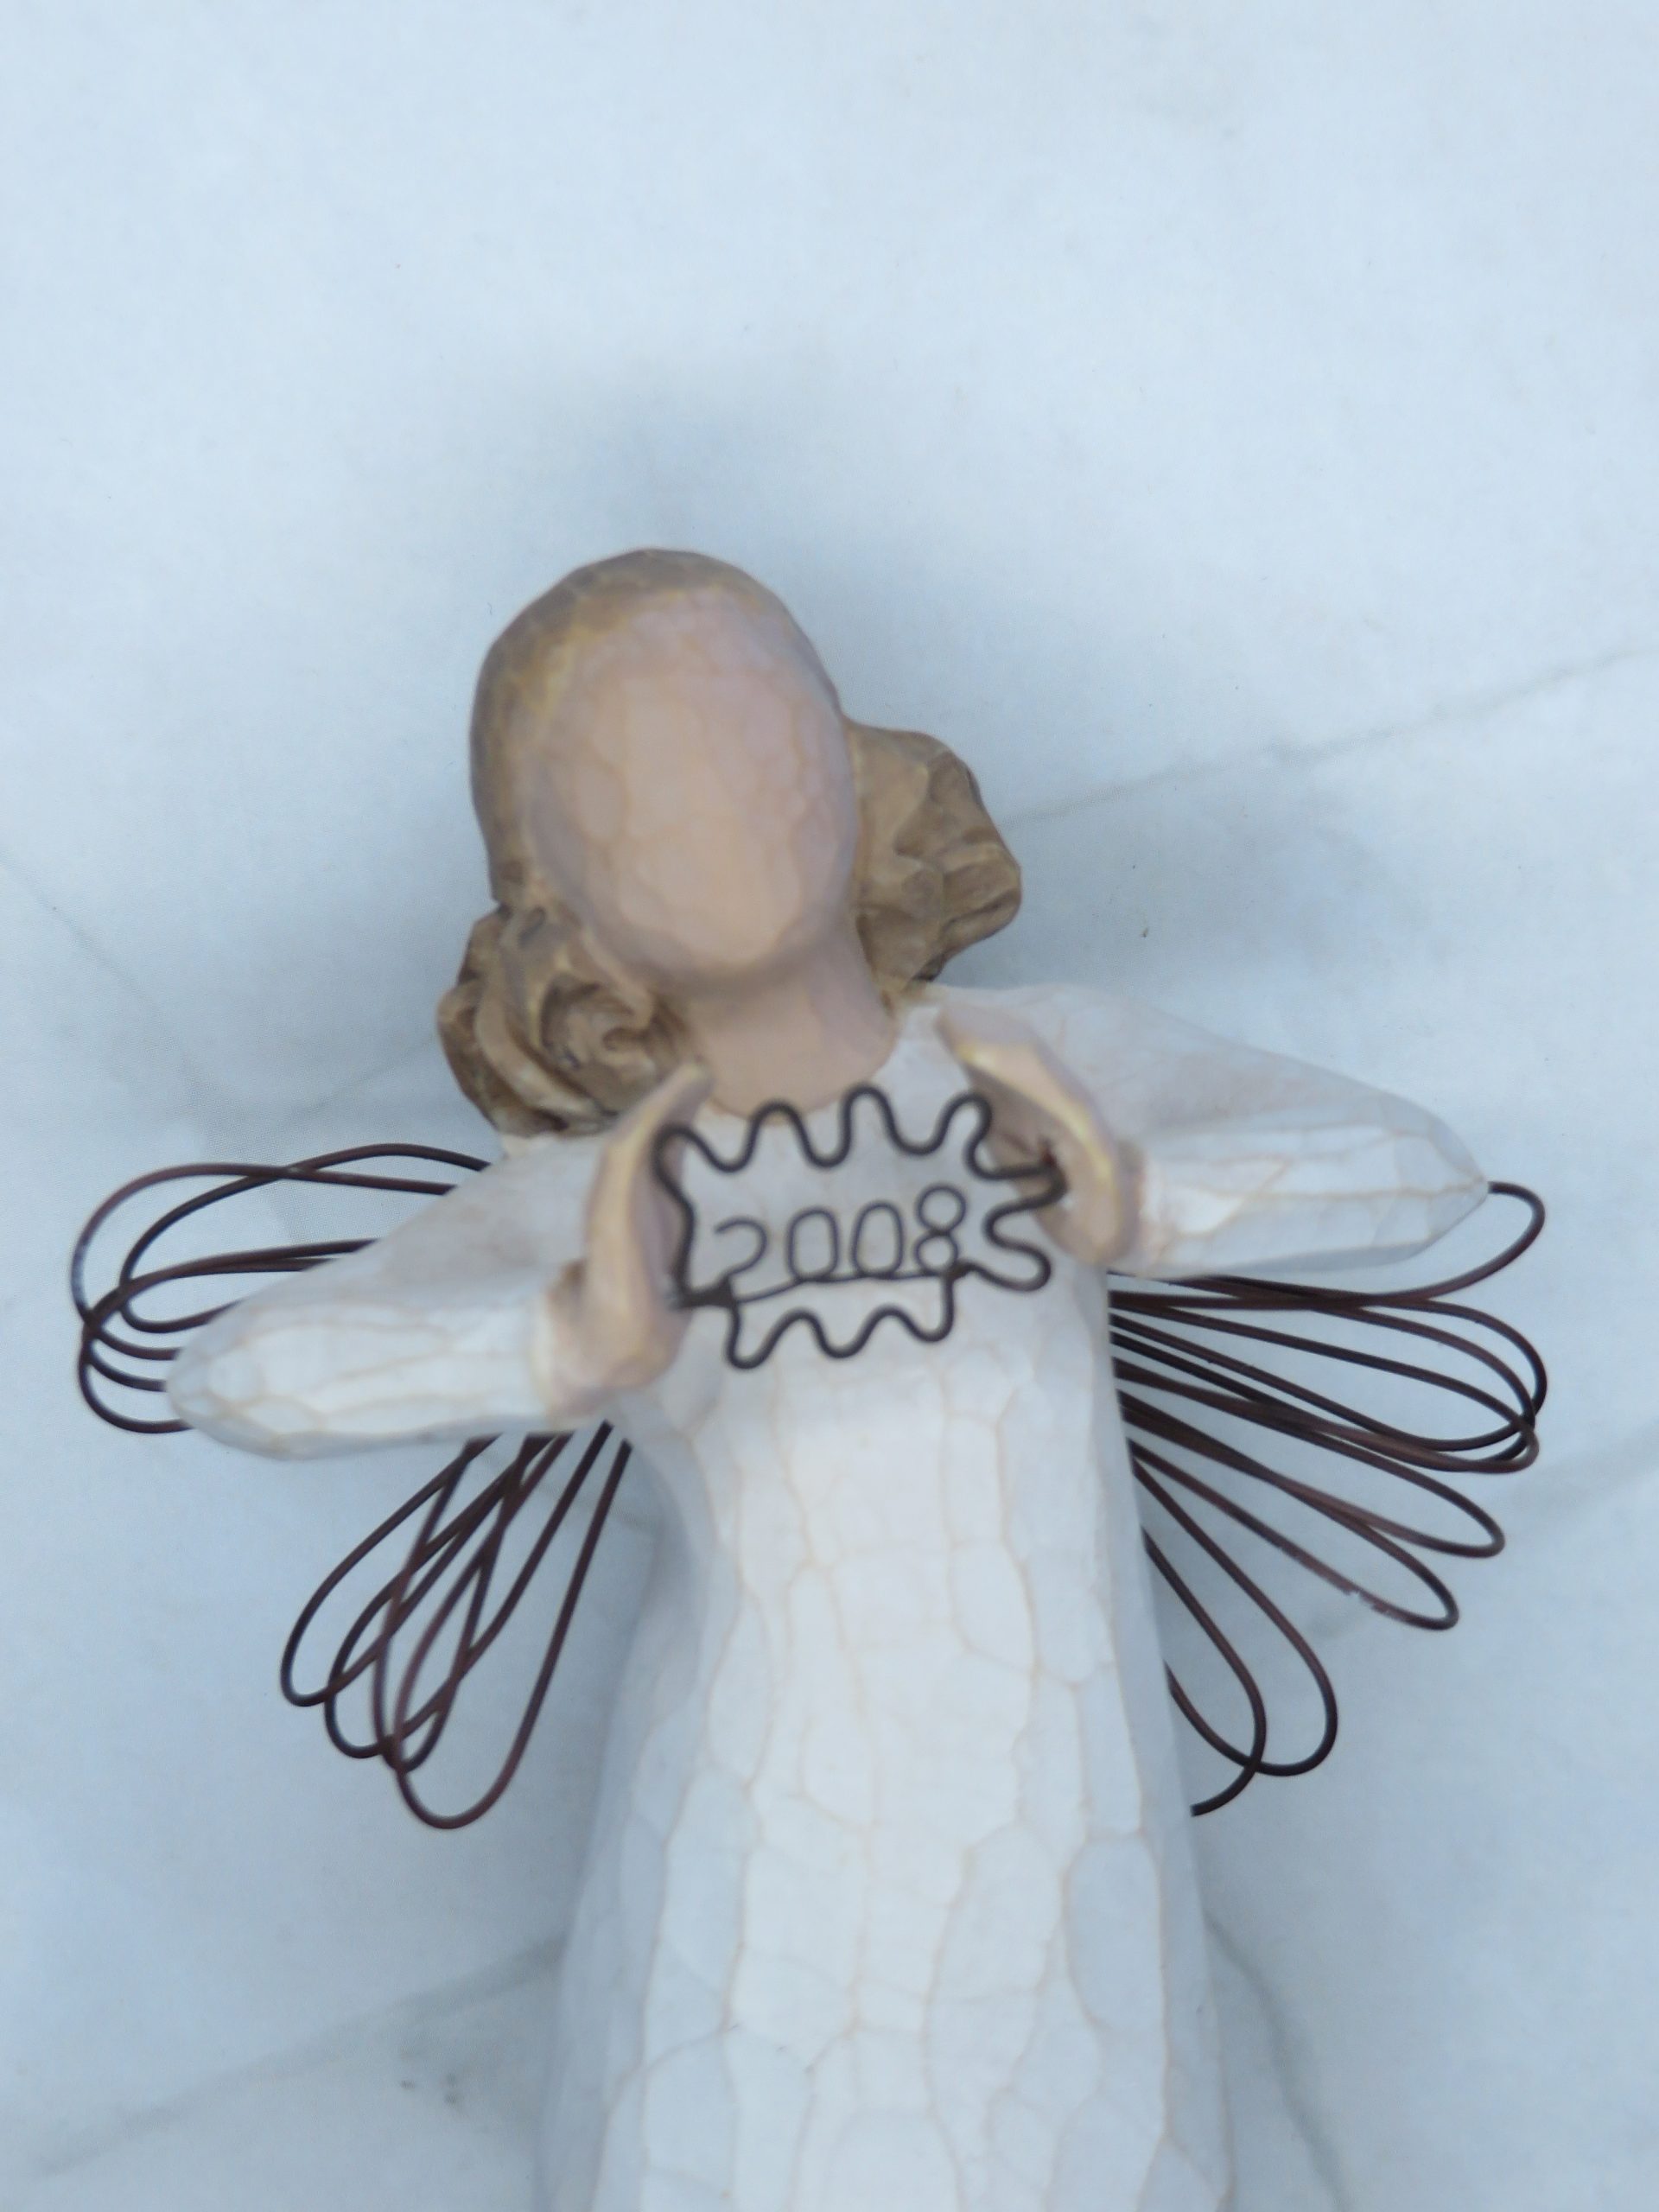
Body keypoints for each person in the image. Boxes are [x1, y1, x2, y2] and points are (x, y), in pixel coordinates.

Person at [169, 550, 1484, 2212]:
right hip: (750, 1914)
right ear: (553, 913)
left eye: (752, 728)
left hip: (1071, 1884)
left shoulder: (1038, 1065)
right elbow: (246, 1371)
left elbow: (1413, 1164)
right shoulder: (606, 1194)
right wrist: (560, 1338)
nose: (716, 802)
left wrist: (1141, 1204)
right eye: (636, 787)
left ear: (856, 758)